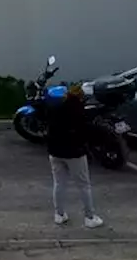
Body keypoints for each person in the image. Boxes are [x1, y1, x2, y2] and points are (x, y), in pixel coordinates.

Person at [44, 84, 104, 228]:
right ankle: (89, 217)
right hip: (74, 153)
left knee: (59, 184)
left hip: (55, 152)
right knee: (84, 185)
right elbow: (85, 132)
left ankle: (59, 214)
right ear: (81, 96)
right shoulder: (79, 111)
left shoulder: (56, 108)